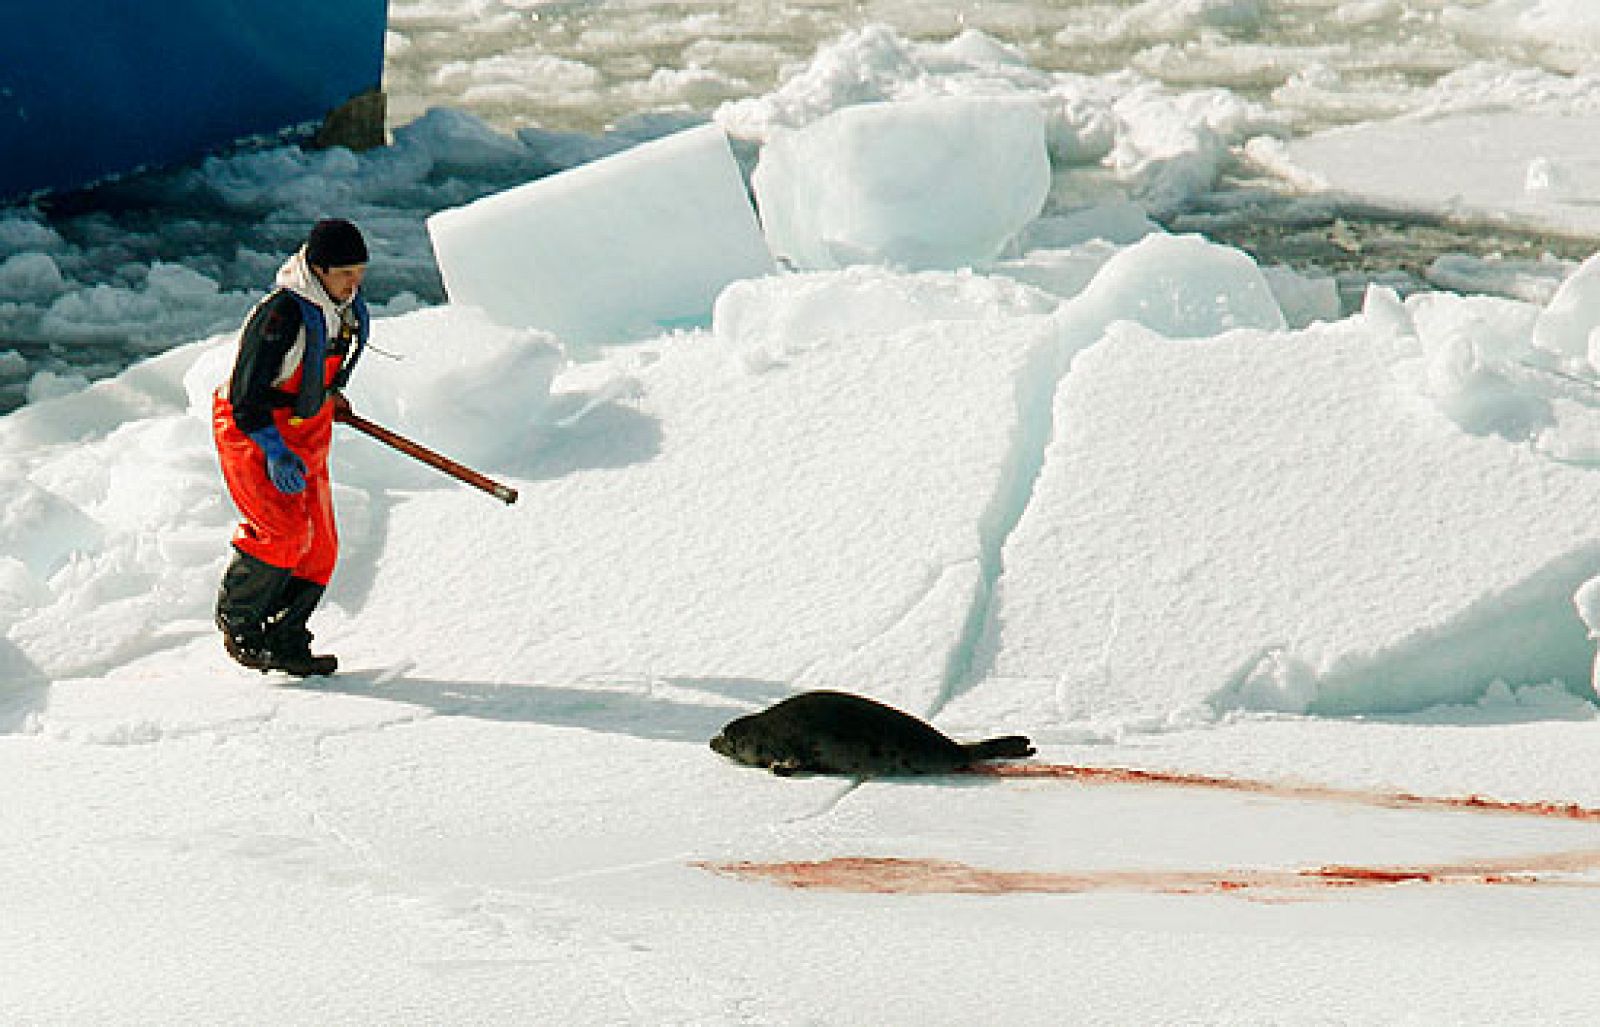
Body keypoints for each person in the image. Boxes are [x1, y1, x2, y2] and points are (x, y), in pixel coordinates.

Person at [212, 218, 370, 676]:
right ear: (317, 270)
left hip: (309, 431)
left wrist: (329, 397)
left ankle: (284, 635)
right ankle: (241, 623)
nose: (355, 282)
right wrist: (272, 448)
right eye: (345, 273)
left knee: (320, 547)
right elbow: (245, 396)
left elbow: (321, 371)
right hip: (254, 429)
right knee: (282, 534)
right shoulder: (281, 316)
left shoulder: (342, 309)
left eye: (360, 271)